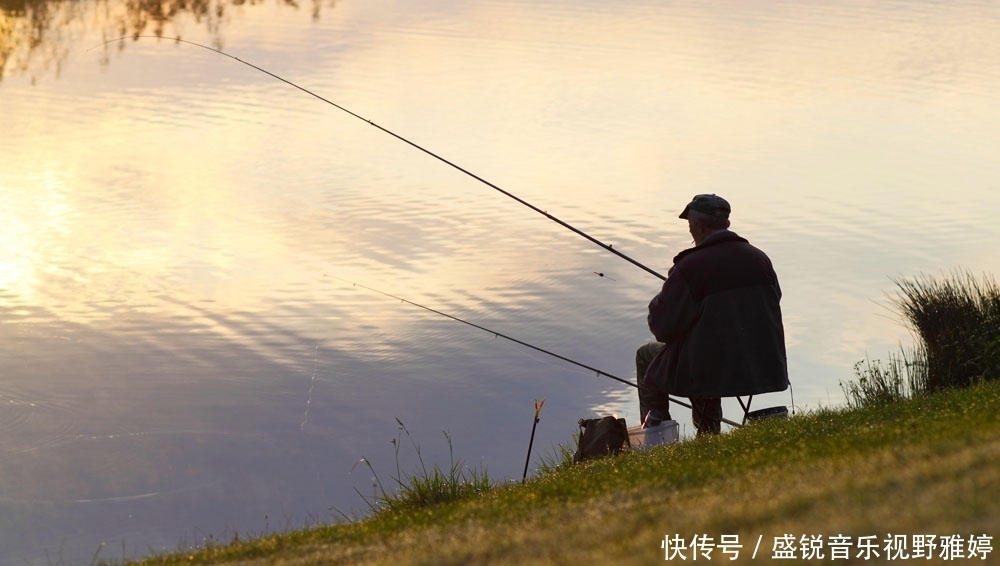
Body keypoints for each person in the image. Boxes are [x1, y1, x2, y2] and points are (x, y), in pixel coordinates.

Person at [637, 194, 788, 435]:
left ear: (697, 225)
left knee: (647, 354)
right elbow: (772, 301)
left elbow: (662, 327)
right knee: (704, 347)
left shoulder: (690, 266)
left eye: (689, 225)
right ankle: (708, 431)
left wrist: (662, 297)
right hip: (761, 364)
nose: (690, 231)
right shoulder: (759, 259)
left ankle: (658, 435)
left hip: (712, 369)